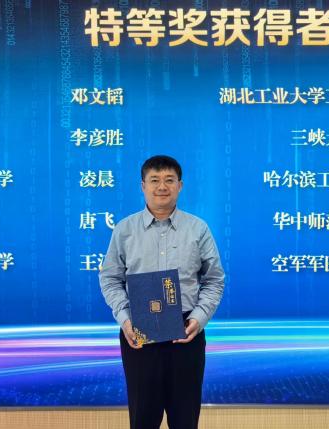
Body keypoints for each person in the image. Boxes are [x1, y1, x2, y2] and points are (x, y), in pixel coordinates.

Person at [99, 155, 225, 429]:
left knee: (185, 420)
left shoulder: (198, 228)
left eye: (169, 180)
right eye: (154, 180)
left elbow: (214, 280)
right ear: (143, 186)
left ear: (180, 185)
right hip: (139, 333)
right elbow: (110, 278)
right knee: (143, 419)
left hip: (186, 332)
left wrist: (199, 319)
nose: (162, 186)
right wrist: (125, 320)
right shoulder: (124, 229)